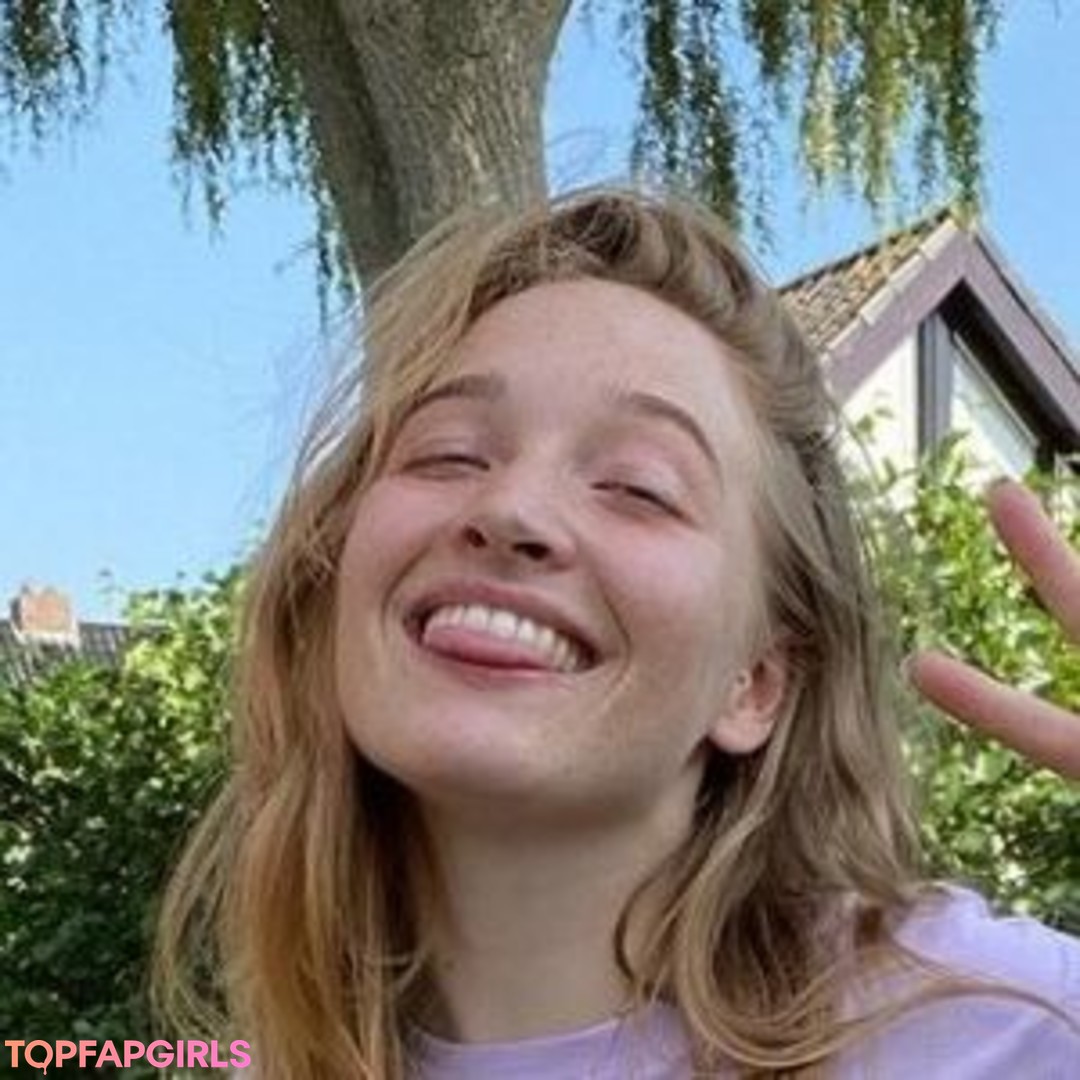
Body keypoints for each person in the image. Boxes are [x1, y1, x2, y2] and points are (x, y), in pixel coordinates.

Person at [154, 185, 1080, 1078]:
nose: (510, 508)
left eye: (639, 487)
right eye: (448, 453)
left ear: (754, 682)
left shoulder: (1007, 1030)